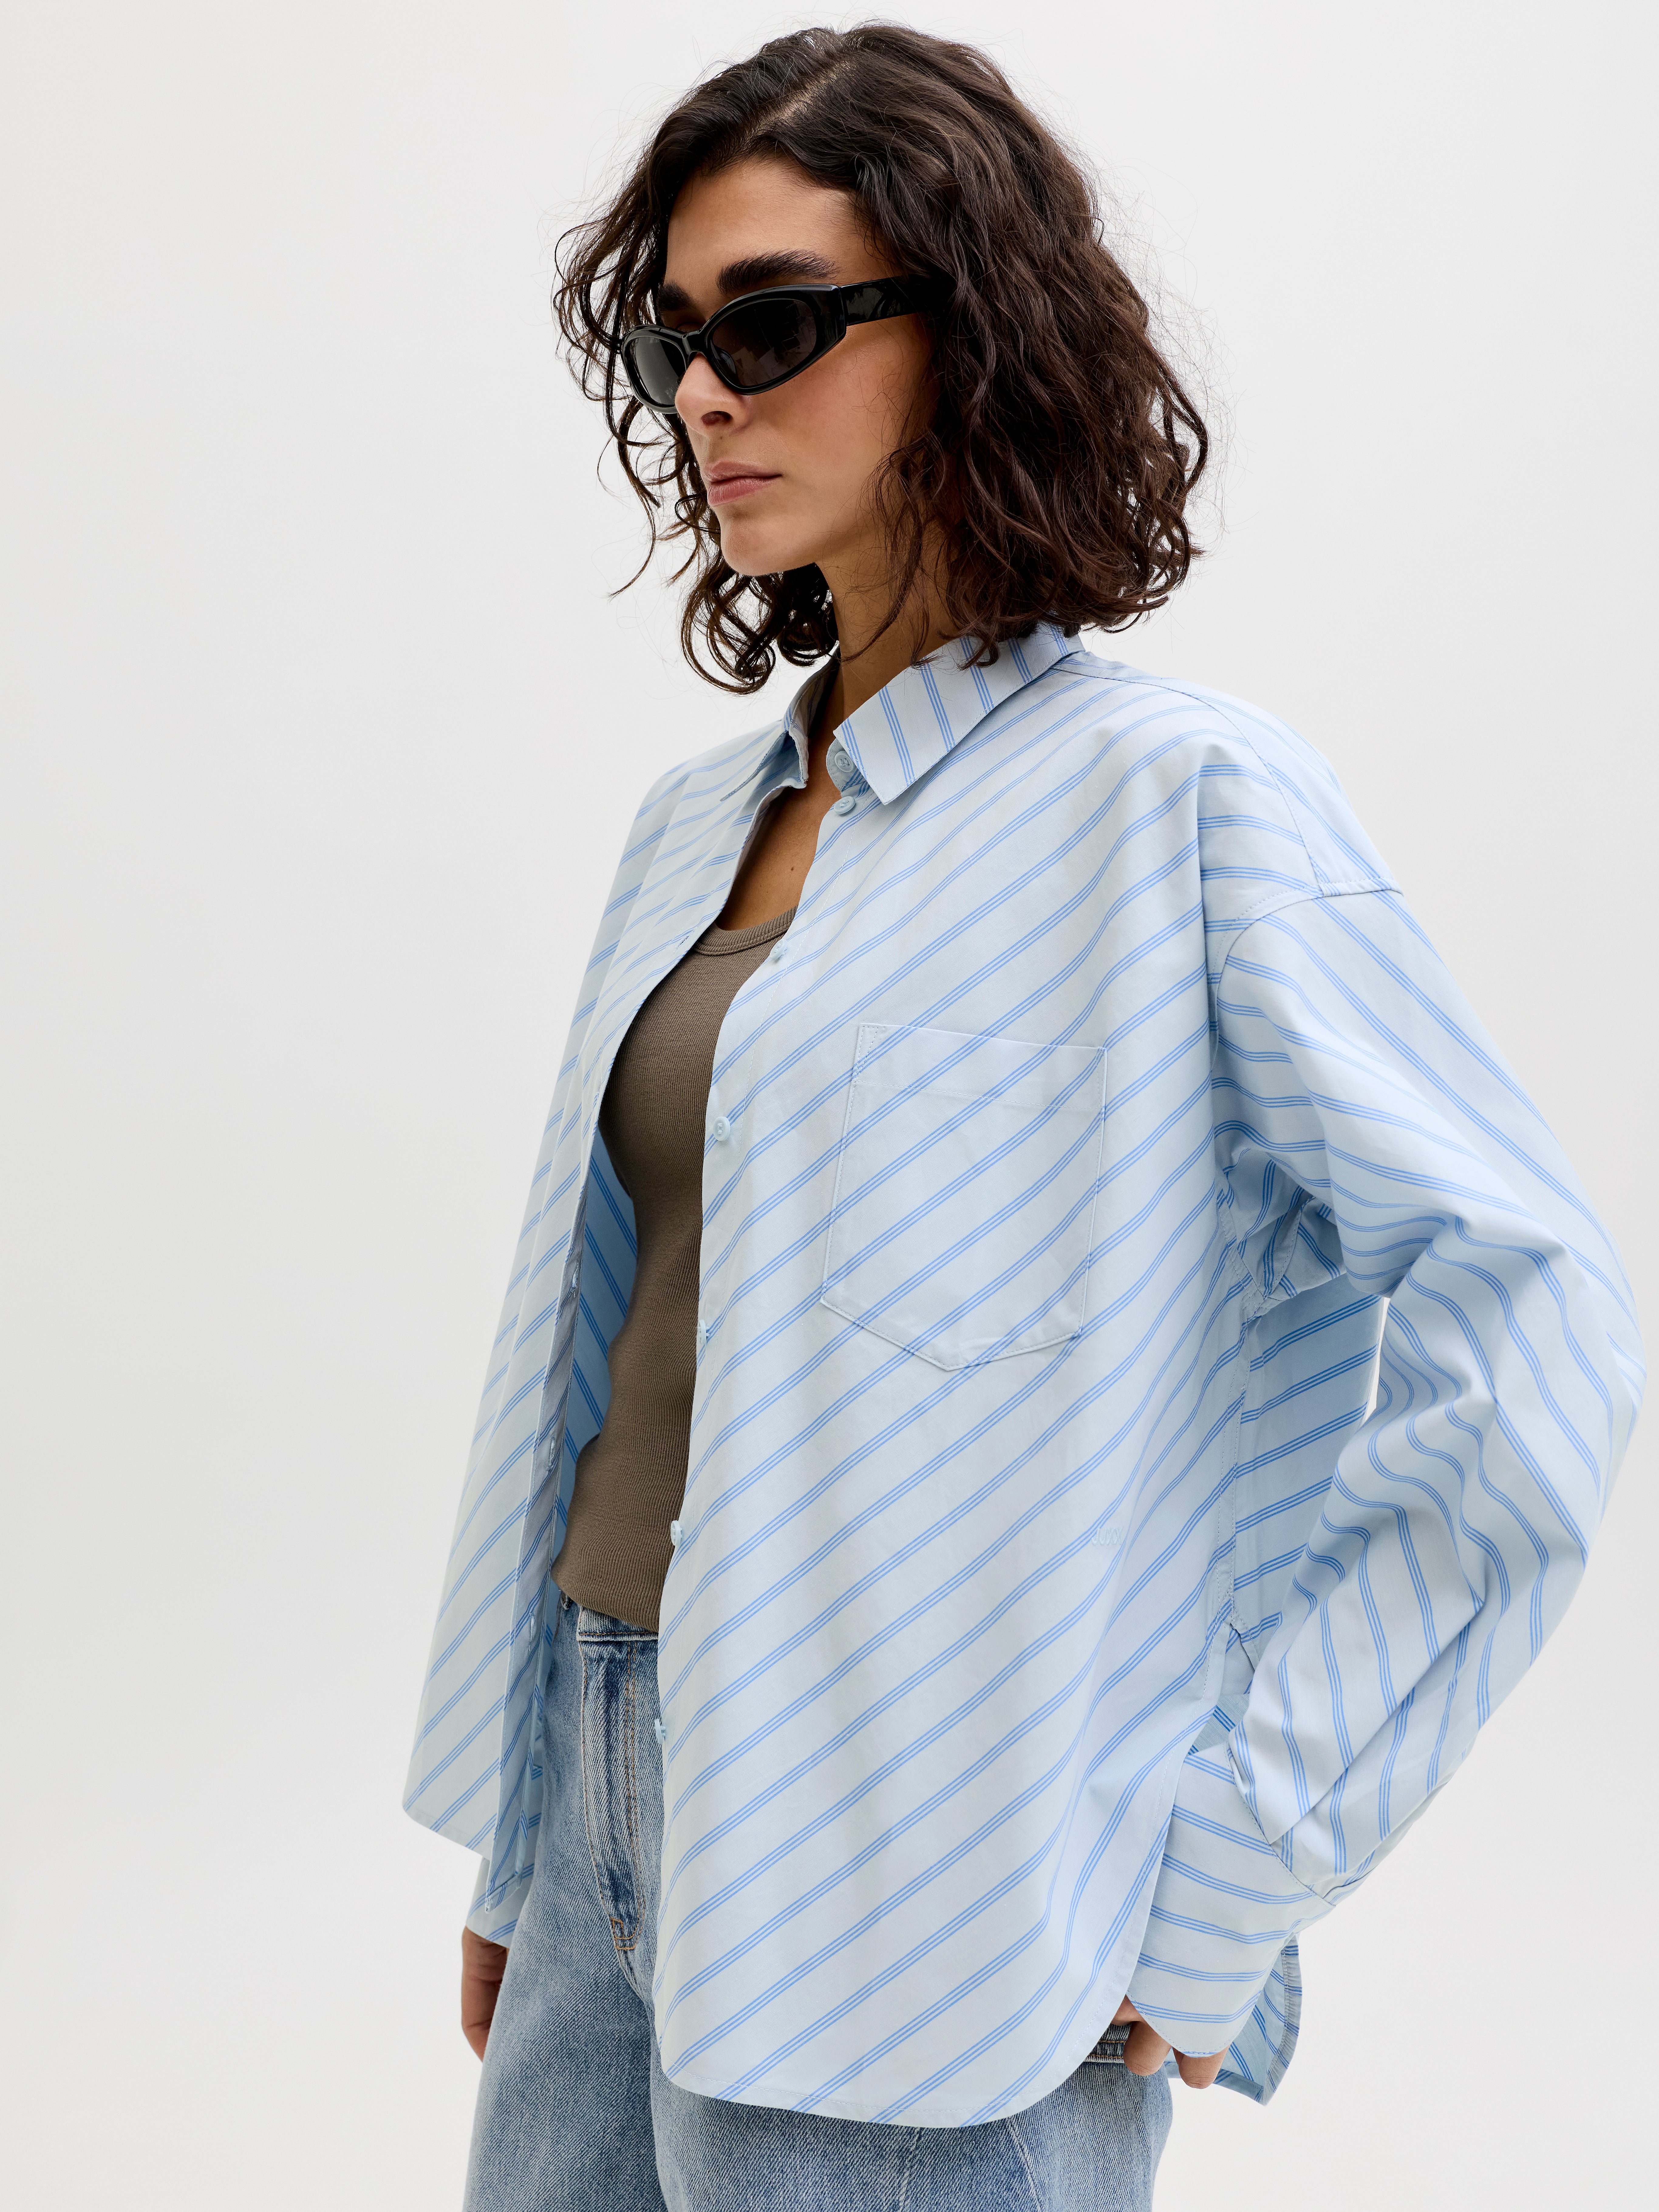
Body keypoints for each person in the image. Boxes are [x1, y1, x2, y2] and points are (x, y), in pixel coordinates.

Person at [404, 23, 1642, 2210]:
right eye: (677, 340)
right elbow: (613, 1341)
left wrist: (1230, 1864)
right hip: (599, 1771)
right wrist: (533, 1826)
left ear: (970, 333)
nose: (706, 398)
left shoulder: (1182, 805)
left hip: (937, 1881)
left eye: (772, 324)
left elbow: (1531, 1326)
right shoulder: (697, 820)